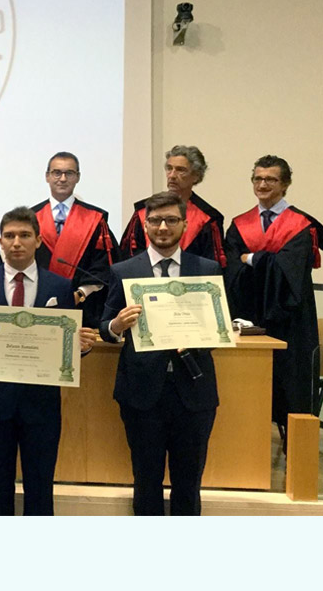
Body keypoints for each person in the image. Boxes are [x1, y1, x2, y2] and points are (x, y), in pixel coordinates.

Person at [0, 207, 97, 516]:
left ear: (38, 241)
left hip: (42, 403)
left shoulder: (60, 287)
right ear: (0, 243)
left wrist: (82, 347)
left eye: (24, 235)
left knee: (40, 486)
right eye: (9, 236)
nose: (16, 242)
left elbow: (68, 346)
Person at [101, 192, 221, 515]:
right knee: (145, 481)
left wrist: (201, 335)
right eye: (155, 220)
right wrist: (116, 324)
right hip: (141, 394)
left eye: (171, 220)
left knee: (188, 484)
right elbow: (104, 325)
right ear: (145, 224)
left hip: (193, 392)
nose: (163, 227)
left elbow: (221, 324)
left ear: (184, 223)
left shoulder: (206, 268)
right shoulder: (123, 270)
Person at [224, 155, 323, 433]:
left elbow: (290, 271)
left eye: (271, 179)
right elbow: (231, 268)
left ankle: (293, 447)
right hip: (249, 315)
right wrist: (267, 260)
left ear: (285, 184)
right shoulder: (239, 224)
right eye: (258, 178)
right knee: (248, 385)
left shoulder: (302, 225)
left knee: (291, 384)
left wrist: (253, 259)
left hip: (291, 319)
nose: (263, 184)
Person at [31, 152, 117, 327]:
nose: (62, 179)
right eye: (57, 173)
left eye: (69, 173)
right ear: (47, 176)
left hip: (82, 308)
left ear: (77, 177)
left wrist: (80, 294)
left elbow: (102, 266)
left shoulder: (94, 219)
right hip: (36, 306)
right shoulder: (30, 217)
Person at [120, 145, 226, 268]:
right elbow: (128, 256)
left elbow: (211, 264)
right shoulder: (143, 211)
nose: (172, 175)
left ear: (196, 176)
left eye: (181, 170)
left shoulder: (208, 218)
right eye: (169, 169)